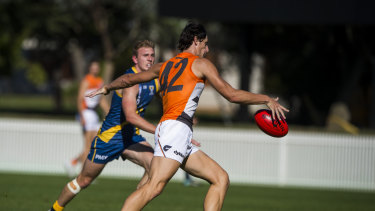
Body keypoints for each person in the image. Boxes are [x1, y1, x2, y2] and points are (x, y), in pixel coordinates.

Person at [87, 22, 289, 211]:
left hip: (177, 130)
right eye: (206, 44)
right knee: (154, 186)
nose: (207, 49)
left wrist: (106, 87)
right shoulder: (200, 64)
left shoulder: (164, 66)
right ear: (196, 40)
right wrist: (265, 99)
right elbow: (232, 94)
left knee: (220, 178)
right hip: (174, 129)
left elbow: (129, 79)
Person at [49, 40, 159, 211]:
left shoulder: (155, 79)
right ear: (135, 59)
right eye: (145, 55)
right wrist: (160, 130)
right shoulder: (130, 81)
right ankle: (54, 209)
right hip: (109, 138)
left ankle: (133, 207)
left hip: (130, 137)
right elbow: (130, 116)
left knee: (155, 167)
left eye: (152, 55)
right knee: (84, 180)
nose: (150, 59)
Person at [64, 61, 110, 177]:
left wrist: (109, 112)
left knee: (94, 145)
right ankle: (83, 174)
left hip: (94, 114)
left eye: (97, 67)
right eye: (93, 67)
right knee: (88, 145)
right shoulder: (86, 81)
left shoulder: (100, 82)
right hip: (86, 112)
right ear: (89, 68)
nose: (95, 69)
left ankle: (73, 162)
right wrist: (82, 115)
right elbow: (80, 99)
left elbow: (101, 100)